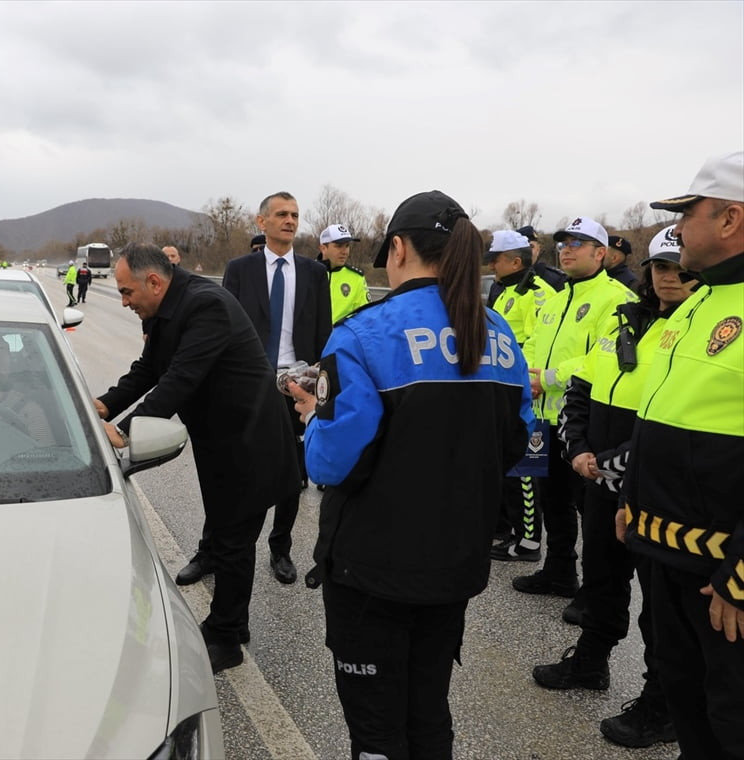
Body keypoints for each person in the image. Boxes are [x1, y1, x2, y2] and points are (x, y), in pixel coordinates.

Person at [290, 190, 532, 760]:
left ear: (398, 248)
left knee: (377, 733)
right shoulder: (497, 332)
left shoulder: (362, 334)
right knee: (428, 715)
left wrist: (311, 418)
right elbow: (516, 446)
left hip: (373, 570)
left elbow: (328, 463)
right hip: (455, 564)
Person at [95, 243, 300, 673]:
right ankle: (234, 622)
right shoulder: (166, 309)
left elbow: (180, 380)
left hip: (250, 441)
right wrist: (105, 406)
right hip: (221, 441)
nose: (125, 301)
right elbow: (149, 369)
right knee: (227, 534)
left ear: (154, 282)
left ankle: (226, 637)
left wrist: (128, 430)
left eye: (127, 292)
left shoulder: (206, 306)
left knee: (233, 541)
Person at [531, 225, 697, 749]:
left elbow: (673, 420)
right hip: (599, 475)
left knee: (660, 607)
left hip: (651, 484)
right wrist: (579, 446)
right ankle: (591, 661)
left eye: (679, 267)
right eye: (661, 267)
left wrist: (618, 463)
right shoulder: (627, 318)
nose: (669, 277)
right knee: (601, 575)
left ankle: (662, 703)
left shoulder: (693, 330)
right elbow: (583, 388)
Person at [620, 151, 744, 759]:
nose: (676, 227)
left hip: (725, 581)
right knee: (689, 706)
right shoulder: (696, 302)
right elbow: (662, 417)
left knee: (733, 720)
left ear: (729, 219)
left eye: (687, 213)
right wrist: (632, 502)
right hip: (667, 556)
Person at [182, 191, 330, 587]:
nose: (290, 220)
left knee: (290, 474)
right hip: (247, 383)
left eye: (295, 215)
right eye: (281, 214)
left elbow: (322, 334)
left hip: (296, 386)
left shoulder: (315, 273)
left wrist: (319, 386)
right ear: (261, 222)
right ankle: (209, 549)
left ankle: (280, 550)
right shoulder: (240, 269)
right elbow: (223, 327)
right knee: (230, 470)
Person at [512, 217, 635, 606]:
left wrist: (547, 377)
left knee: (590, 511)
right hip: (539, 417)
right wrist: (525, 374)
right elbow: (532, 342)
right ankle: (559, 570)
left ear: (600, 253)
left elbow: (601, 357)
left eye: (578, 243)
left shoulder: (616, 298)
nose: (566, 249)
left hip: (578, 422)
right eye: (564, 243)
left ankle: (593, 595)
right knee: (551, 500)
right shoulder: (553, 297)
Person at [486, 229, 556, 562]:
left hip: (526, 391)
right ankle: (508, 529)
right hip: (502, 387)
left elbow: (537, 340)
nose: (492, 267)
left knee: (525, 469)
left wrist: (521, 376)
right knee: (507, 465)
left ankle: (528, 541)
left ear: (515, 260)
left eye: (496, 260)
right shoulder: (504, 290)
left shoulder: (538, 292)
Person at [320, 224, 369, 322]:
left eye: (347, 246)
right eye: (338, 246)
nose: (345, 252)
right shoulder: (307, 273)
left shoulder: (356, 277)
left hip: (342, 337)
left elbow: (365, 316)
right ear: (323, 249)